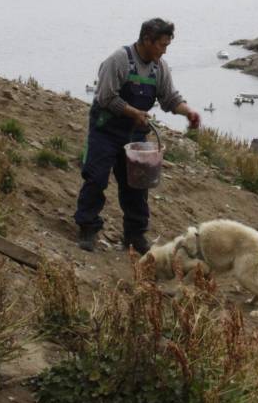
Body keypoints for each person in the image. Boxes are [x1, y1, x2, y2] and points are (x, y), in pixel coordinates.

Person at [75, 18, 200, 253]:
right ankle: (87, 227)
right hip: (106, 130)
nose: (164, 51)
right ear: (146, 40)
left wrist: (188, 112)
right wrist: (133, 113)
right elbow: (106, 97)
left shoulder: (159, 68)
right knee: (96, 177)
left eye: (167, 46)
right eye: (161, 45)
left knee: (137, 185)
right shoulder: (119, 61)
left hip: (135, 135)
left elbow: (170, 98)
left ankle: (134, 235)